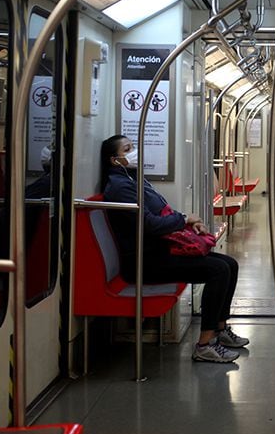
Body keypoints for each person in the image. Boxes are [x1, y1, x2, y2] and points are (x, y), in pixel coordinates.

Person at [99, 134, 248, 363]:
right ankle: (205, 345)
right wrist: (185, 219)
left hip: (158, 251)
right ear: (114, 160)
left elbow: (163, 212)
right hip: (143, 260)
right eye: (127, 149)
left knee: (230, 264)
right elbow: (148, 224)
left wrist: (188, 221)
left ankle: (219, 328)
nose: (134, 152)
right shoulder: (120, 188)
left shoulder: (135, 180)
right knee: (218, 270)